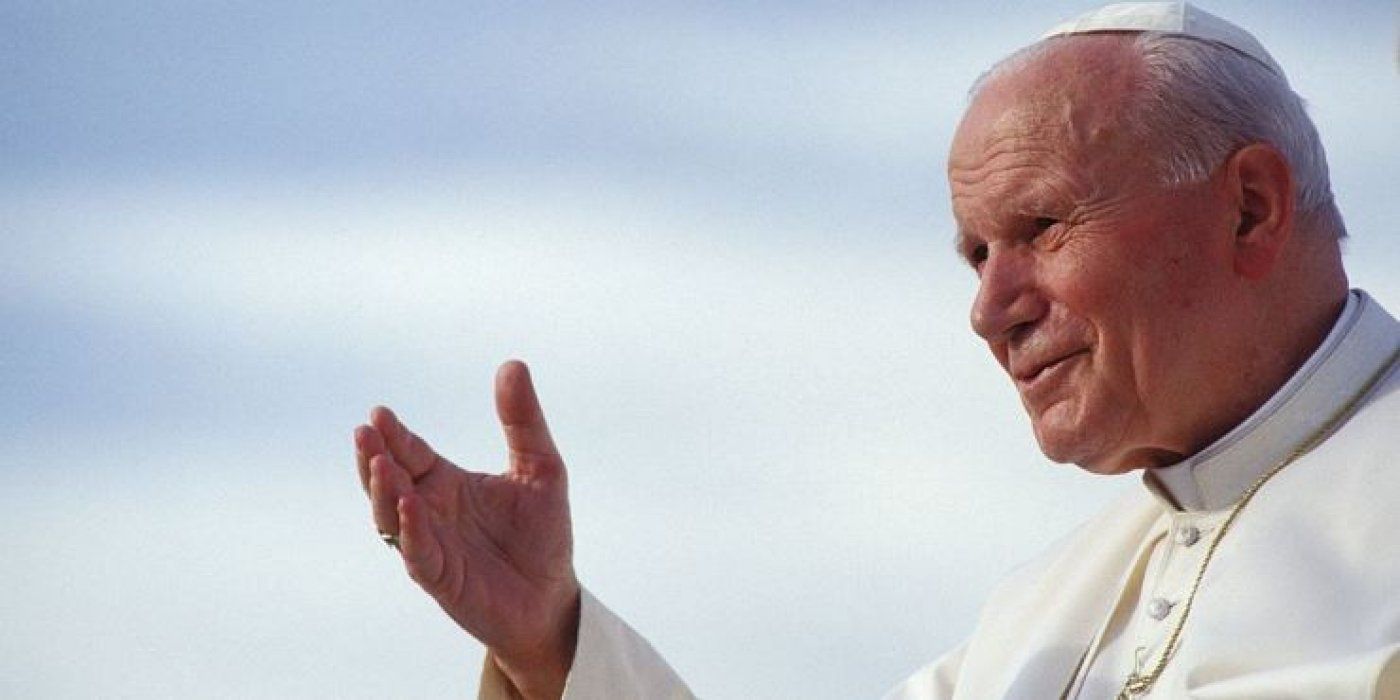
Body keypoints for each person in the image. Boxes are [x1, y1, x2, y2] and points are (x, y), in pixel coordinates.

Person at [353, 2, 1399, 698]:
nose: (989, 309)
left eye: (1040, 228)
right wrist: (552, 639)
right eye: (975, 254)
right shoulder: (1033, 616)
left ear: (1249, 209)